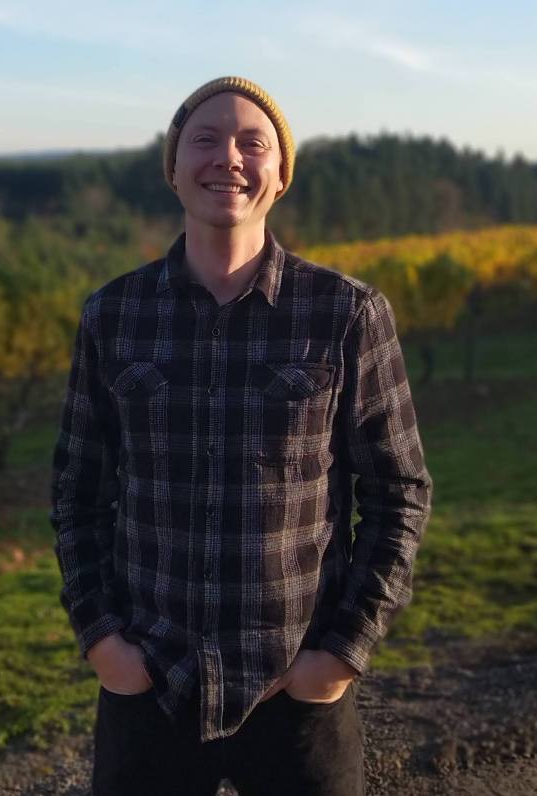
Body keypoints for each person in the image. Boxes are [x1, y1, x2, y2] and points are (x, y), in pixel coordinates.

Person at [49, 75, 432, 796]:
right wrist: (103, 641)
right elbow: (77, 492)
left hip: (298, 694)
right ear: (172, 168)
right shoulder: (114, 315)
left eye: (253, 143)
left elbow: (400, 494)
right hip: (151, 690)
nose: (227, 157)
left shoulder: (345, 314)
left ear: (281, 176)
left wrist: (341, 655)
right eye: (205, 139)